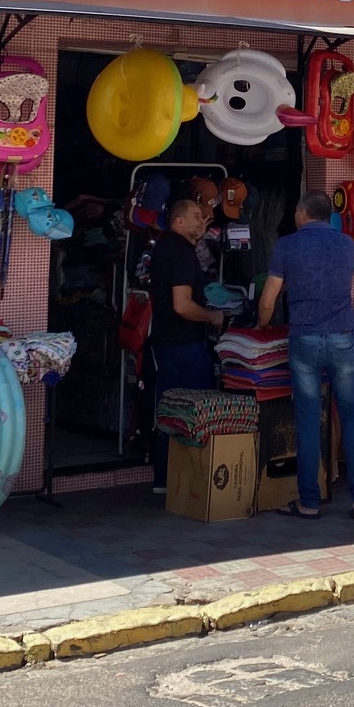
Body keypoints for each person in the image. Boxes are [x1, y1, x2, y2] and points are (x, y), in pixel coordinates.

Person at [258, 191, 354, 519]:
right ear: (328, 216)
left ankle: (309, 502)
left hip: (306, 338)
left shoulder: (287, 245)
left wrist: (261, 323)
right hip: (343, 336)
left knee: (308, 419)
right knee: (353, 416)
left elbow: (270, 297)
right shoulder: (346, 245)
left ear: (301, 213)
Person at [147, 196, 223, 495]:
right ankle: (189, 482)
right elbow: (182, 305)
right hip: (184, 344)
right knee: (193, 411)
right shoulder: (181, 254)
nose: (200, 219)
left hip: (167, 343)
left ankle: (166, 480)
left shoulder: (167, 247)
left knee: (170, 410)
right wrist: (212, 317)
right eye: (194, 215)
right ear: (179, 221)